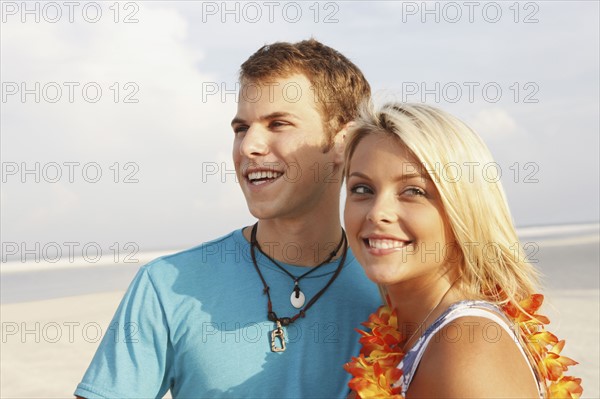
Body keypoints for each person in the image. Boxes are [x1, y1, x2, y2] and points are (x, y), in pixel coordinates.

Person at [74, 39, 381, 398]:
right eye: (241, 128)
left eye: (278, 124)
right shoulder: (165, 285)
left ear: (343, 141)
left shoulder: (392, 290)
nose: (248, 146)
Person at [343, 103, 583, 398]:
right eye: (362, 189)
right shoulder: (407, 332)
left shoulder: (469, 346)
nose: (377, 212)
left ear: (465, 208)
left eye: (414, 191)